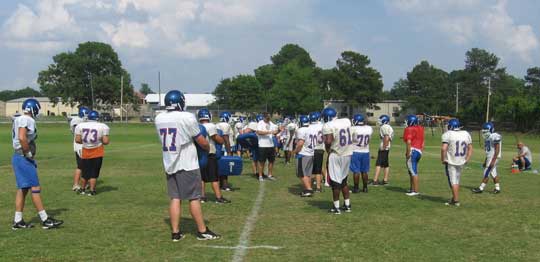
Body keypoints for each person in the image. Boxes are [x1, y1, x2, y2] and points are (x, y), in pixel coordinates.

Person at [155, 90, 220, 241]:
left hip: (170, 162)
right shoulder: (187, 117)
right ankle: (202, 231)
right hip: (187, 163)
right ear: (180, 102)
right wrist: (206, 149)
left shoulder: (159, 118)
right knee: (194, 198)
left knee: (175, 198)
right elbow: (201, 141)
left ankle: (176, 233)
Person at [11, 98, 63, 229]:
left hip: (18, 157)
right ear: (33, 108)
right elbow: (22, 137)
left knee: (23, 189)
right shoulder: (27, 119)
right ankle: (45, 219)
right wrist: (27, 153)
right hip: (23, 157)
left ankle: (18, 221)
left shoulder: (19, 118)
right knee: (35, 187)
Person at [322, 107, 353, 214]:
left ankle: (336, 208)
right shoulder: (346, 121)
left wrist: (327, 150)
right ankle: (347, 205)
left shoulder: (328, 125)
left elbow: (329, 141)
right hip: (347, 154)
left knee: (335, 183)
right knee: (344, 180)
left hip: (336, 154)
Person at [198, 109, 230, 203]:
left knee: (201, 177)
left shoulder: (196, 126)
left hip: (198, 154)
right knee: (214, 177)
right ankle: (218, 197)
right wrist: (222, 139)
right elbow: (217, 139)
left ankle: (202, 197)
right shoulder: (211, 126)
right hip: (210, 153)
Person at [74, 110, 110, 196]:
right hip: (97, 151)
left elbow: (77, 140)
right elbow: (105, 141)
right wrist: (98, 140)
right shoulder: (103, 126)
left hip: (85, 151)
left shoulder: (80, 125)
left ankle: (82, 189)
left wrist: (87, 142)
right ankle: (92, 190)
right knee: (94, 173)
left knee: (85, 173)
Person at [441, 119, 473, 206]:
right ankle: (454, 198)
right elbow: (470, 148)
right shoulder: (465, 133)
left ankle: (456, 200)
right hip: (461, 161)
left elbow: (444, 148)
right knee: (457, 180)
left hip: (451, 161)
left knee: (453, 181)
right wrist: (467, 159)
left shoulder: (448, 134)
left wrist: (443, 159)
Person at [472, 122, 502, 194]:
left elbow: (497, 149)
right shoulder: (487, 138)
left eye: (486, 131)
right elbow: (489, 151)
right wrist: (486, 160)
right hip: (490, 157)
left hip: (494, 157)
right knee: (493, 173)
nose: (485, 133)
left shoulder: (494, 136)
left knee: (486, 172)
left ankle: (481, 188)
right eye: (484, 131)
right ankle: (497, 188)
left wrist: (493, 160)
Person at [349, 114, 373, 193]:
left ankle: (356, 188)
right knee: (364, 171)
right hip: (366, 151)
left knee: (356, 171)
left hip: (355, 151)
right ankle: (365, 188)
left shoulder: (353, 128)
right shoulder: (369, 128)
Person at [293, 115, 315, 197]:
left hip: (303, 154)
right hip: (311, 153)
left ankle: (309, 189)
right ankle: (307, 189)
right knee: (307, 173)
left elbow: (300, 143)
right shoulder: (311, 129)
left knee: (301, 174)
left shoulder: (301, 130)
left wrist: (295, 151)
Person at [403, 114, 424, 196]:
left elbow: (408, 142)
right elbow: (423, 142)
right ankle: (412, 189)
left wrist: (408, 153)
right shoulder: (420, 128)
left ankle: (415, 191)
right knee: (412, 171)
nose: (406, 122)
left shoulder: (409, 129)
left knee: (413, 171)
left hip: (413, 151)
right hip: (418, 151)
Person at [70, 106, 90, 191]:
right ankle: (76, 184)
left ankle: (84, 182)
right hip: (80, 146)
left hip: (80, 145)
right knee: (81, 166)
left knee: (84, 166)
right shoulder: (77, 121)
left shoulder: (77, 120)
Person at [256, 112, 279, 181]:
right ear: (264, 117)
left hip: (271, 145)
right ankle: (260, 176)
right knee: (262, 162)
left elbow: (275, 130)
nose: (269, 119)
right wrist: (269, 132)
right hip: (262, 145)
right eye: (267, 118)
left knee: (271, 161)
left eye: (269, 118)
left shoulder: (270, 123)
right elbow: (259, 132)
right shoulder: (260, 123)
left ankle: (270, 174)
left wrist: (278, 130)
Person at [371, 115, 394, 186]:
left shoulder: (384, 127)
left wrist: (384, 147)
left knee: (378, 164)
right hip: (387, 147)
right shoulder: (388, 127)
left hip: (384, 148)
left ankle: (375, 181)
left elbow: (386, 137)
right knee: (385, 164)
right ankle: (385, 180)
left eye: (380, 120)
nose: (379, 121)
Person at [216, 111, 234, 191]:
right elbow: (226, 138)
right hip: (224, 148)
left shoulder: (218, 124)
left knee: (221, 167)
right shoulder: (225, 125)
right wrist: (229, 151)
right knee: (225, 167)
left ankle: (221, 184)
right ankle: (225, 185)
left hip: (220, 148)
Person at [309, 111, 326, 192]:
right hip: (320, 148)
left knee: (310, 170)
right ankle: (318, 187)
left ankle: (309, 187)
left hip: (310, 149)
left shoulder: (308, 127)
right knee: (318, 170)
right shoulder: (323, 126)